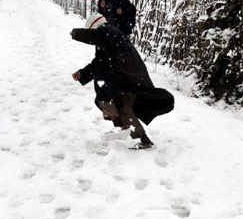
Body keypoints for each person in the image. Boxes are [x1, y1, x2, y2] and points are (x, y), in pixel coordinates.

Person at [71, 13, 174, 149]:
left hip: (129, 79)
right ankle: (140, 138)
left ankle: (122, 127)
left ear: (95, 28)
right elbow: (99, 62)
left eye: (92, 32)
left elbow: (97, 37)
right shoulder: (107, 39)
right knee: (122, 106)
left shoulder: (108, 31)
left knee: (112, 102)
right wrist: (83, 73)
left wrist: (75, 33)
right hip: (126, 80)